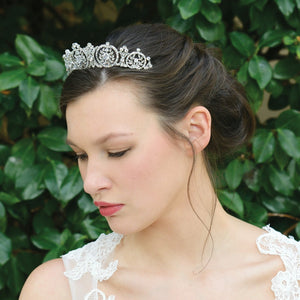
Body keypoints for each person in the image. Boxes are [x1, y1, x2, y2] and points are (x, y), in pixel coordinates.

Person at [19, 23, 300, 300]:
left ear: (195, 130)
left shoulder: (292, 278)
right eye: (81, 155)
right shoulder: (56, 290)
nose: (90, 182)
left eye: (118, 151)